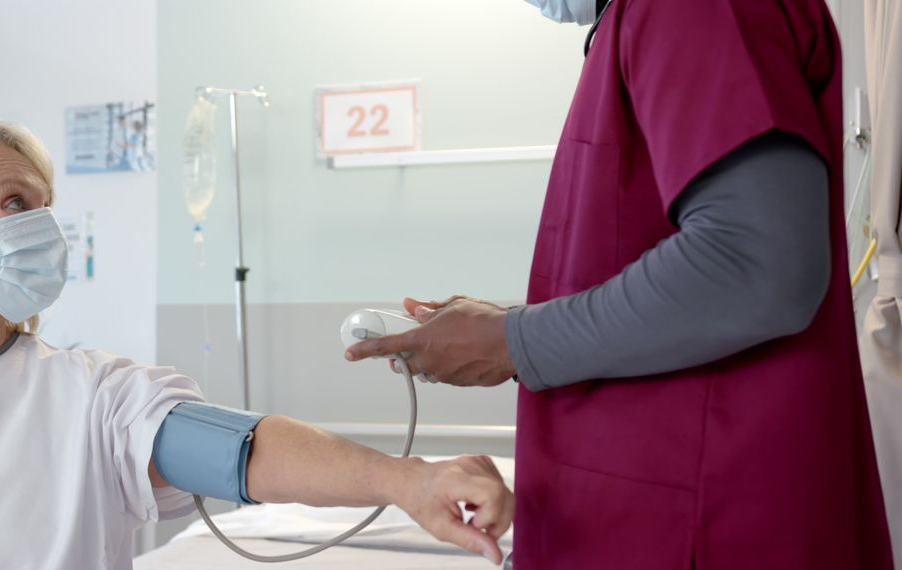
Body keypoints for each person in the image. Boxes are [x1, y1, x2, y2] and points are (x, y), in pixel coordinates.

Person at [346, 0, 895, 568]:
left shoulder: (695, 10)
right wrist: (505, 334)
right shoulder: (636, 21)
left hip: (707, 523)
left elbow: (752, 264)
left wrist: (511, 341)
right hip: (642, 512)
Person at [0, 123, 513, 569]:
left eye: (44, 205)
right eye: (13, 204)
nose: (44, 229)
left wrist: (409, 480)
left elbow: (239, 449)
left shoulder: (90, 395)